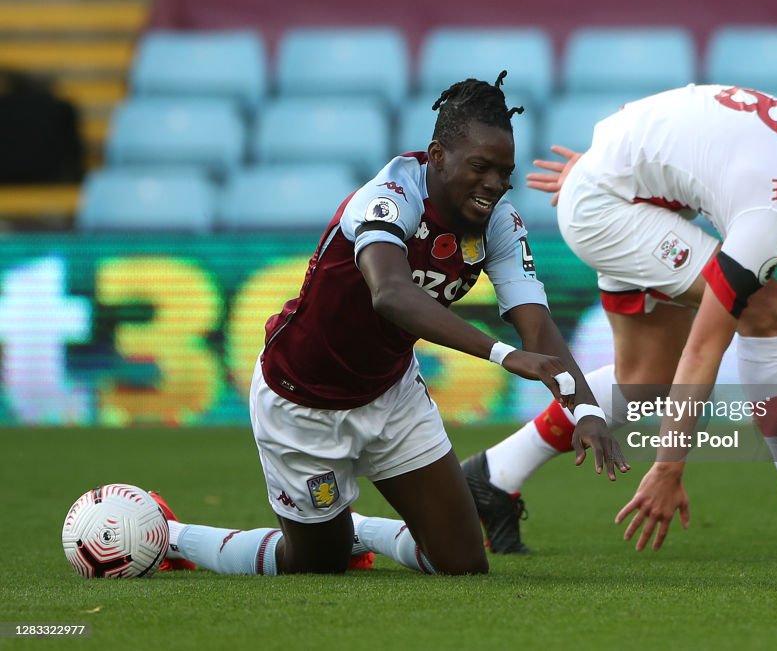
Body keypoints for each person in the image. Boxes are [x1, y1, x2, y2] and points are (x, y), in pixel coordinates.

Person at [153, 72, 629, 577]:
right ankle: (171, 536)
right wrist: (504, 356)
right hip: (301, 398)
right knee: (316, 565)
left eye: (504, 172)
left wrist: (584, 411)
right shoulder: (390, 196)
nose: (494, 184)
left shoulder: (500, 225)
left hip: (391, 396)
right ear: (438, 155)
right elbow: (391, 295)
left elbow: (538, 327)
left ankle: (353, 527)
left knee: (464, 563)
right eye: (481, 167)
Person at [461, 84, 777, 553]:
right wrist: (669, 467)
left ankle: (493, 475)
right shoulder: (773, 216)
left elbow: (700, 124)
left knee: (643, 385)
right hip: (609, 209)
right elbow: (704, 347)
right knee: (767, 309)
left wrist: (604, 165)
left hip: (616, 192)